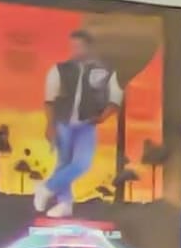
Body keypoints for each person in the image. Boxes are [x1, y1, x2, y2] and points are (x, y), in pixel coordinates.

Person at [37, 27, 123, 218]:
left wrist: (103, 116)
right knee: (63, 163)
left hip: (86, 125)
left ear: (90, 48)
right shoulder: (59, 69)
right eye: (73, 46)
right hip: (63, 123)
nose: (76, 50)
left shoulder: (106, 71)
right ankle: (65, 205)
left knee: (82, 163)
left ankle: (46, 187)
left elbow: (115, 99)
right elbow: (50, 100)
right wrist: (50, 125)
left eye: (80, 46)